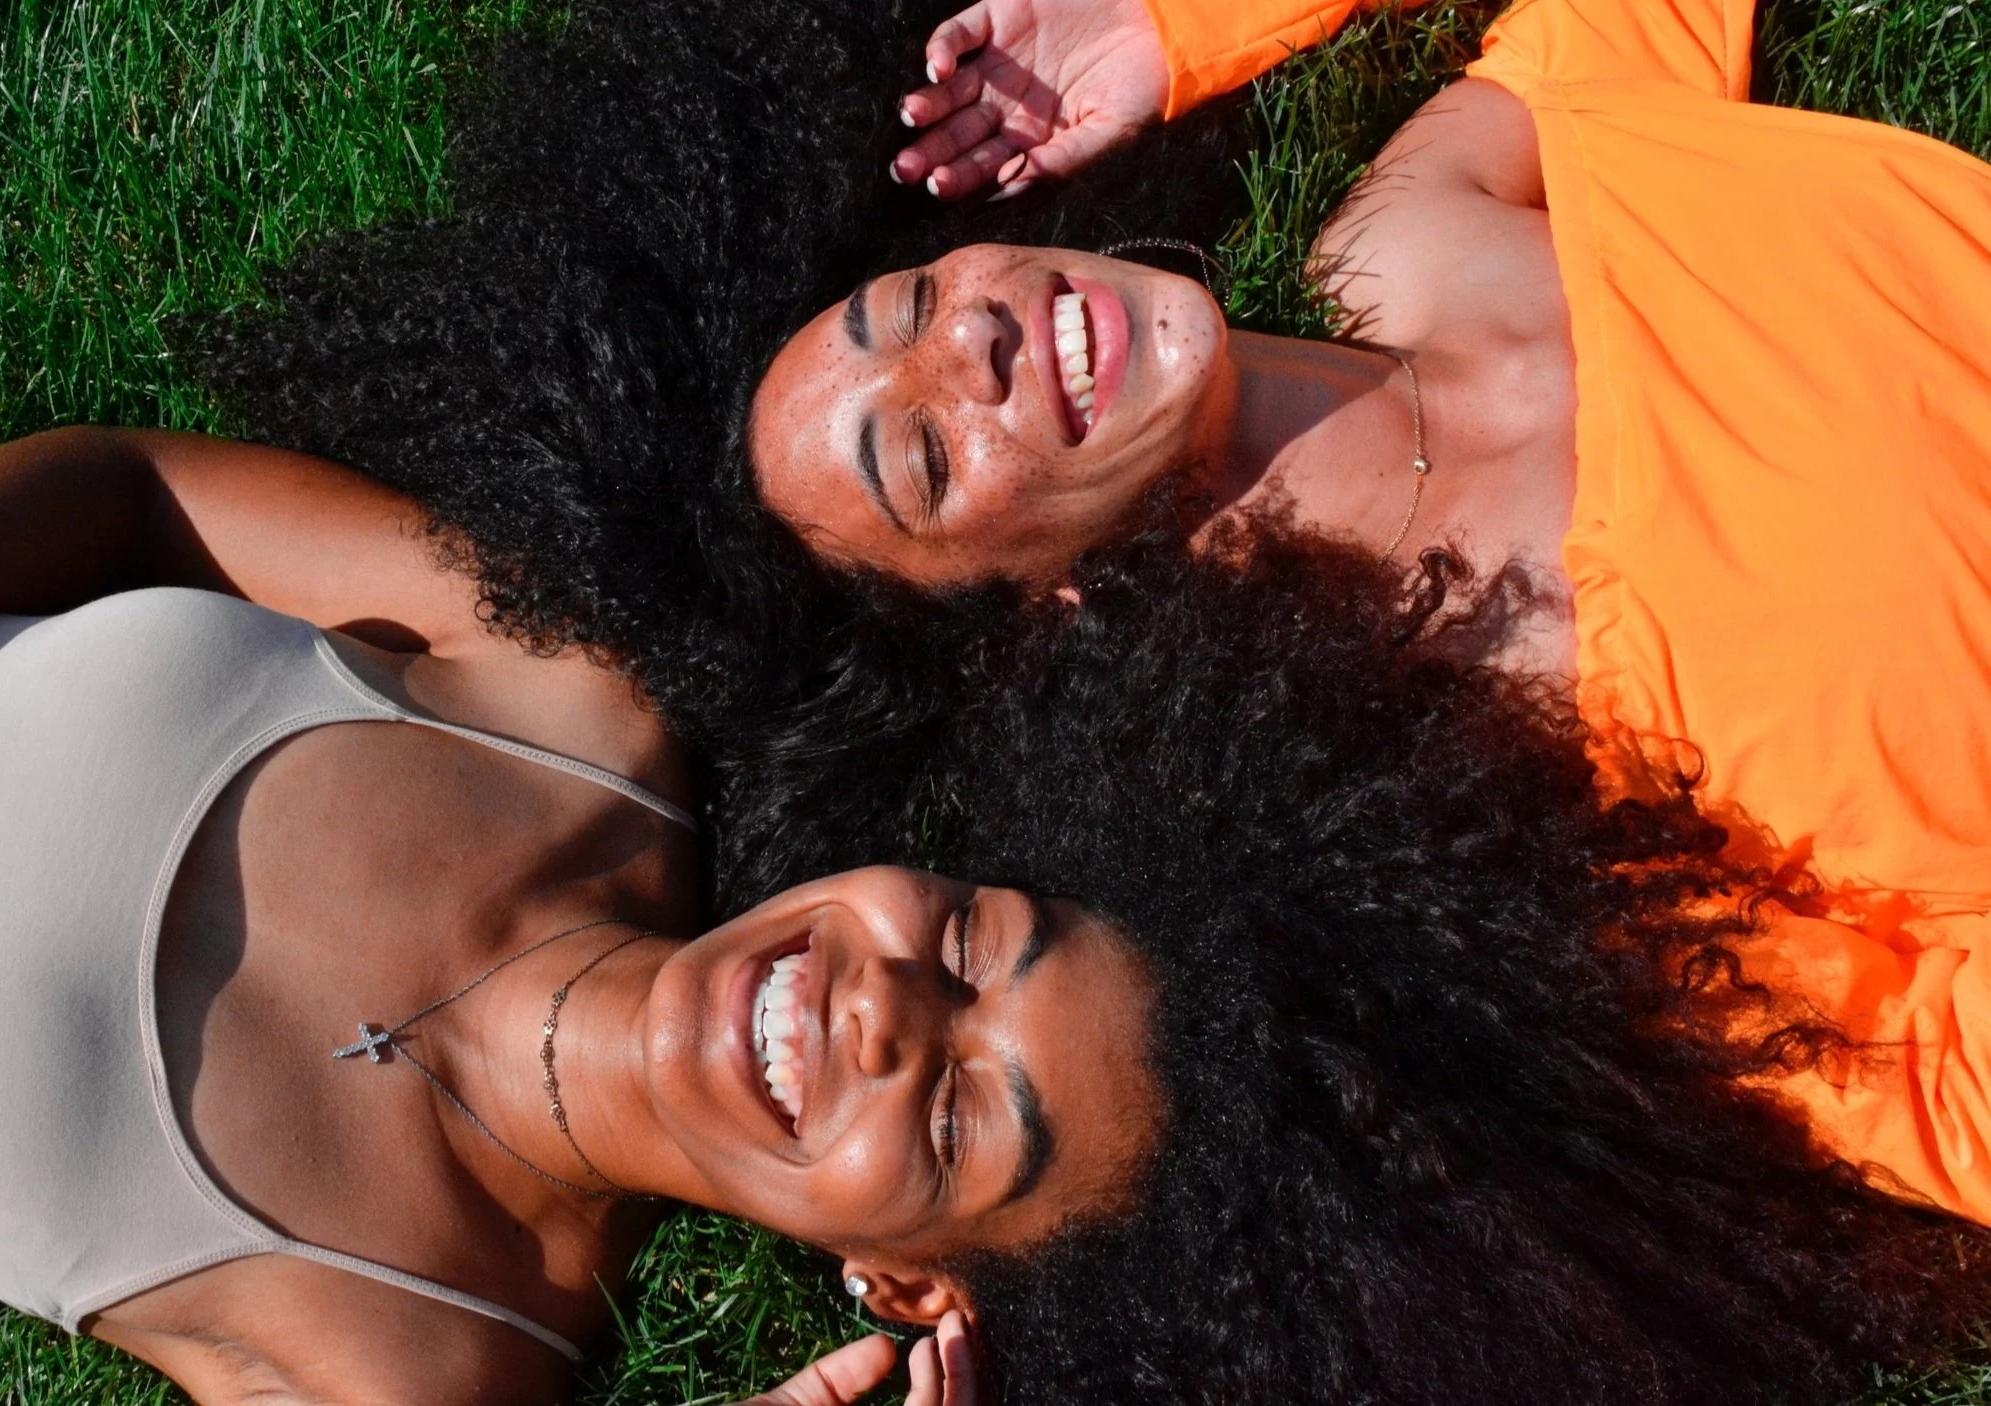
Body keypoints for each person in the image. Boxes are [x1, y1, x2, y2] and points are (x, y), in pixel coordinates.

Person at [0, 425, 1991, 1405]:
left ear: (904, 1277)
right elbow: (140, 490)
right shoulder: (573, 706)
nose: (885, 1005)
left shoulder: (424, 1350)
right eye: (974, 938)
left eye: (968, 1116)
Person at [740, 0, 1991, 1230]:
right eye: (925, 455)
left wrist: (1170, 28)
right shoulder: (1497, 788)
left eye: (912, 301)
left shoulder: (1404, 234)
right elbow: (1936, 1082)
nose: (970, 333)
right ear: (1033, 618)